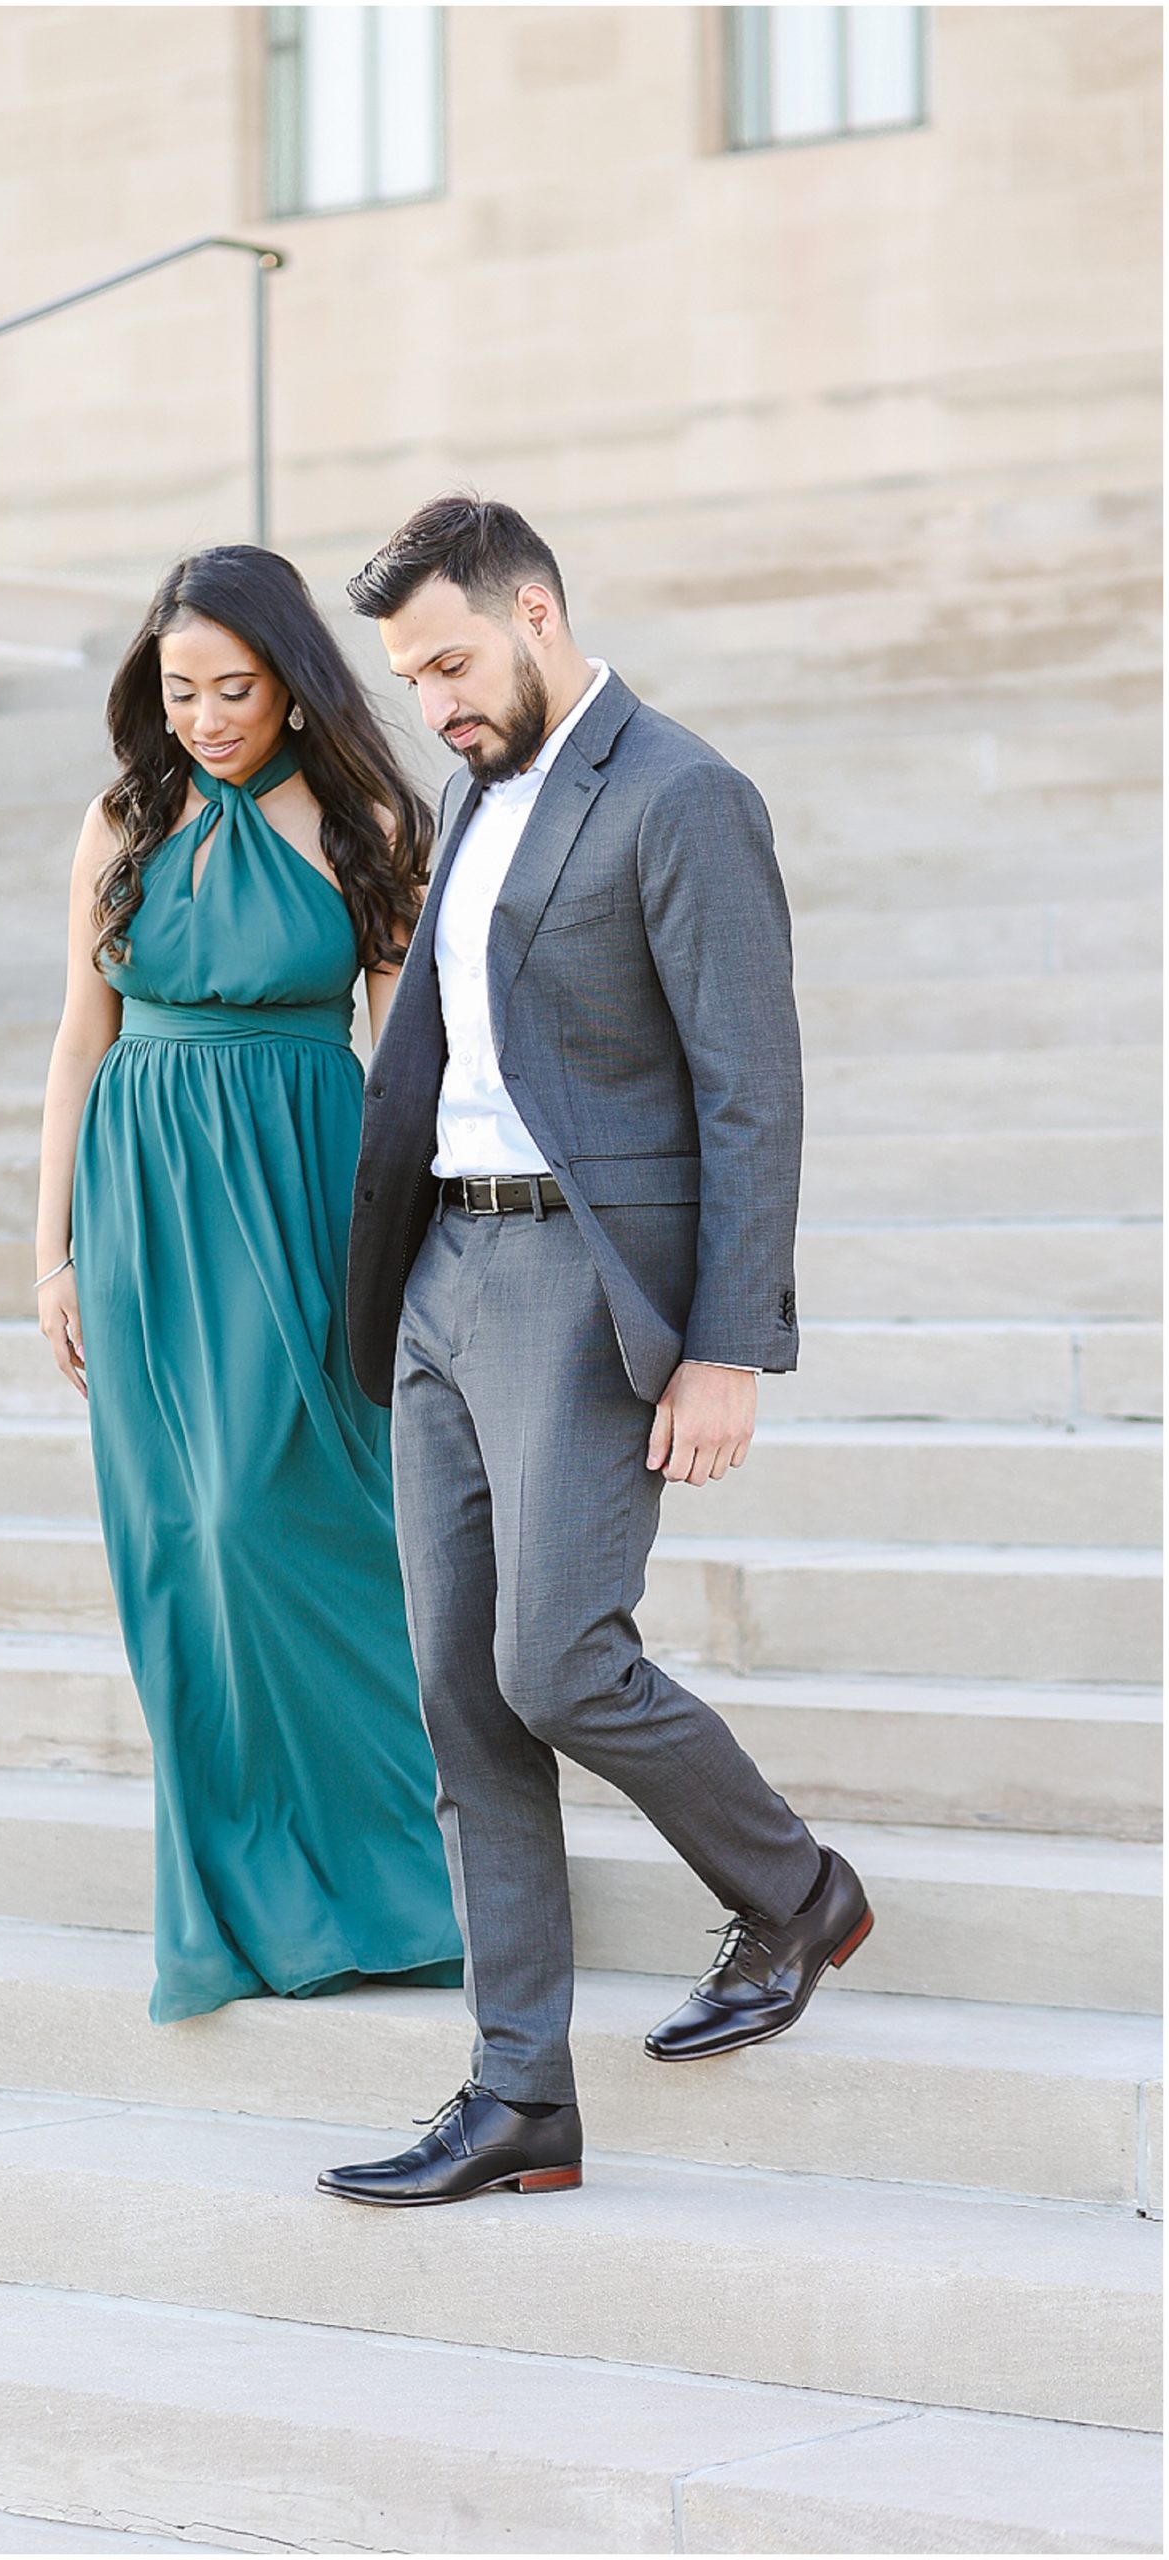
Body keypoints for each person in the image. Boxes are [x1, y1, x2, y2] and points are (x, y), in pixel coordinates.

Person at [318, 495, 873, 2208]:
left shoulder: (683, 795)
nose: (432, 702)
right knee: (458, 1695)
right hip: (442, 1277)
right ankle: (518, 2098)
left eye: (452, 662)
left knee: (555, 1660)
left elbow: (747, 1088)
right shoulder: (471, 796)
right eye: (408, 677)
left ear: (537, 610)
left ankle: (792, 1891)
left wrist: (727, 1347)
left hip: (581, 1279)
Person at [35, 543, 465, 2025]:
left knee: (308, 1524)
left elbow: (407, 1063)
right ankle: (243, 1893)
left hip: (304, 1190)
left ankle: (394, 1881)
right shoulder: (123, 820)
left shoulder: (366, 822)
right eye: (179, 691)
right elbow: (76, 1045)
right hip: (145, 1198)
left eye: (234, 687)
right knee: (185, 1544)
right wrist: (51, 1254)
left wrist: (411, 1241)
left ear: (292, 680)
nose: (207, 717)